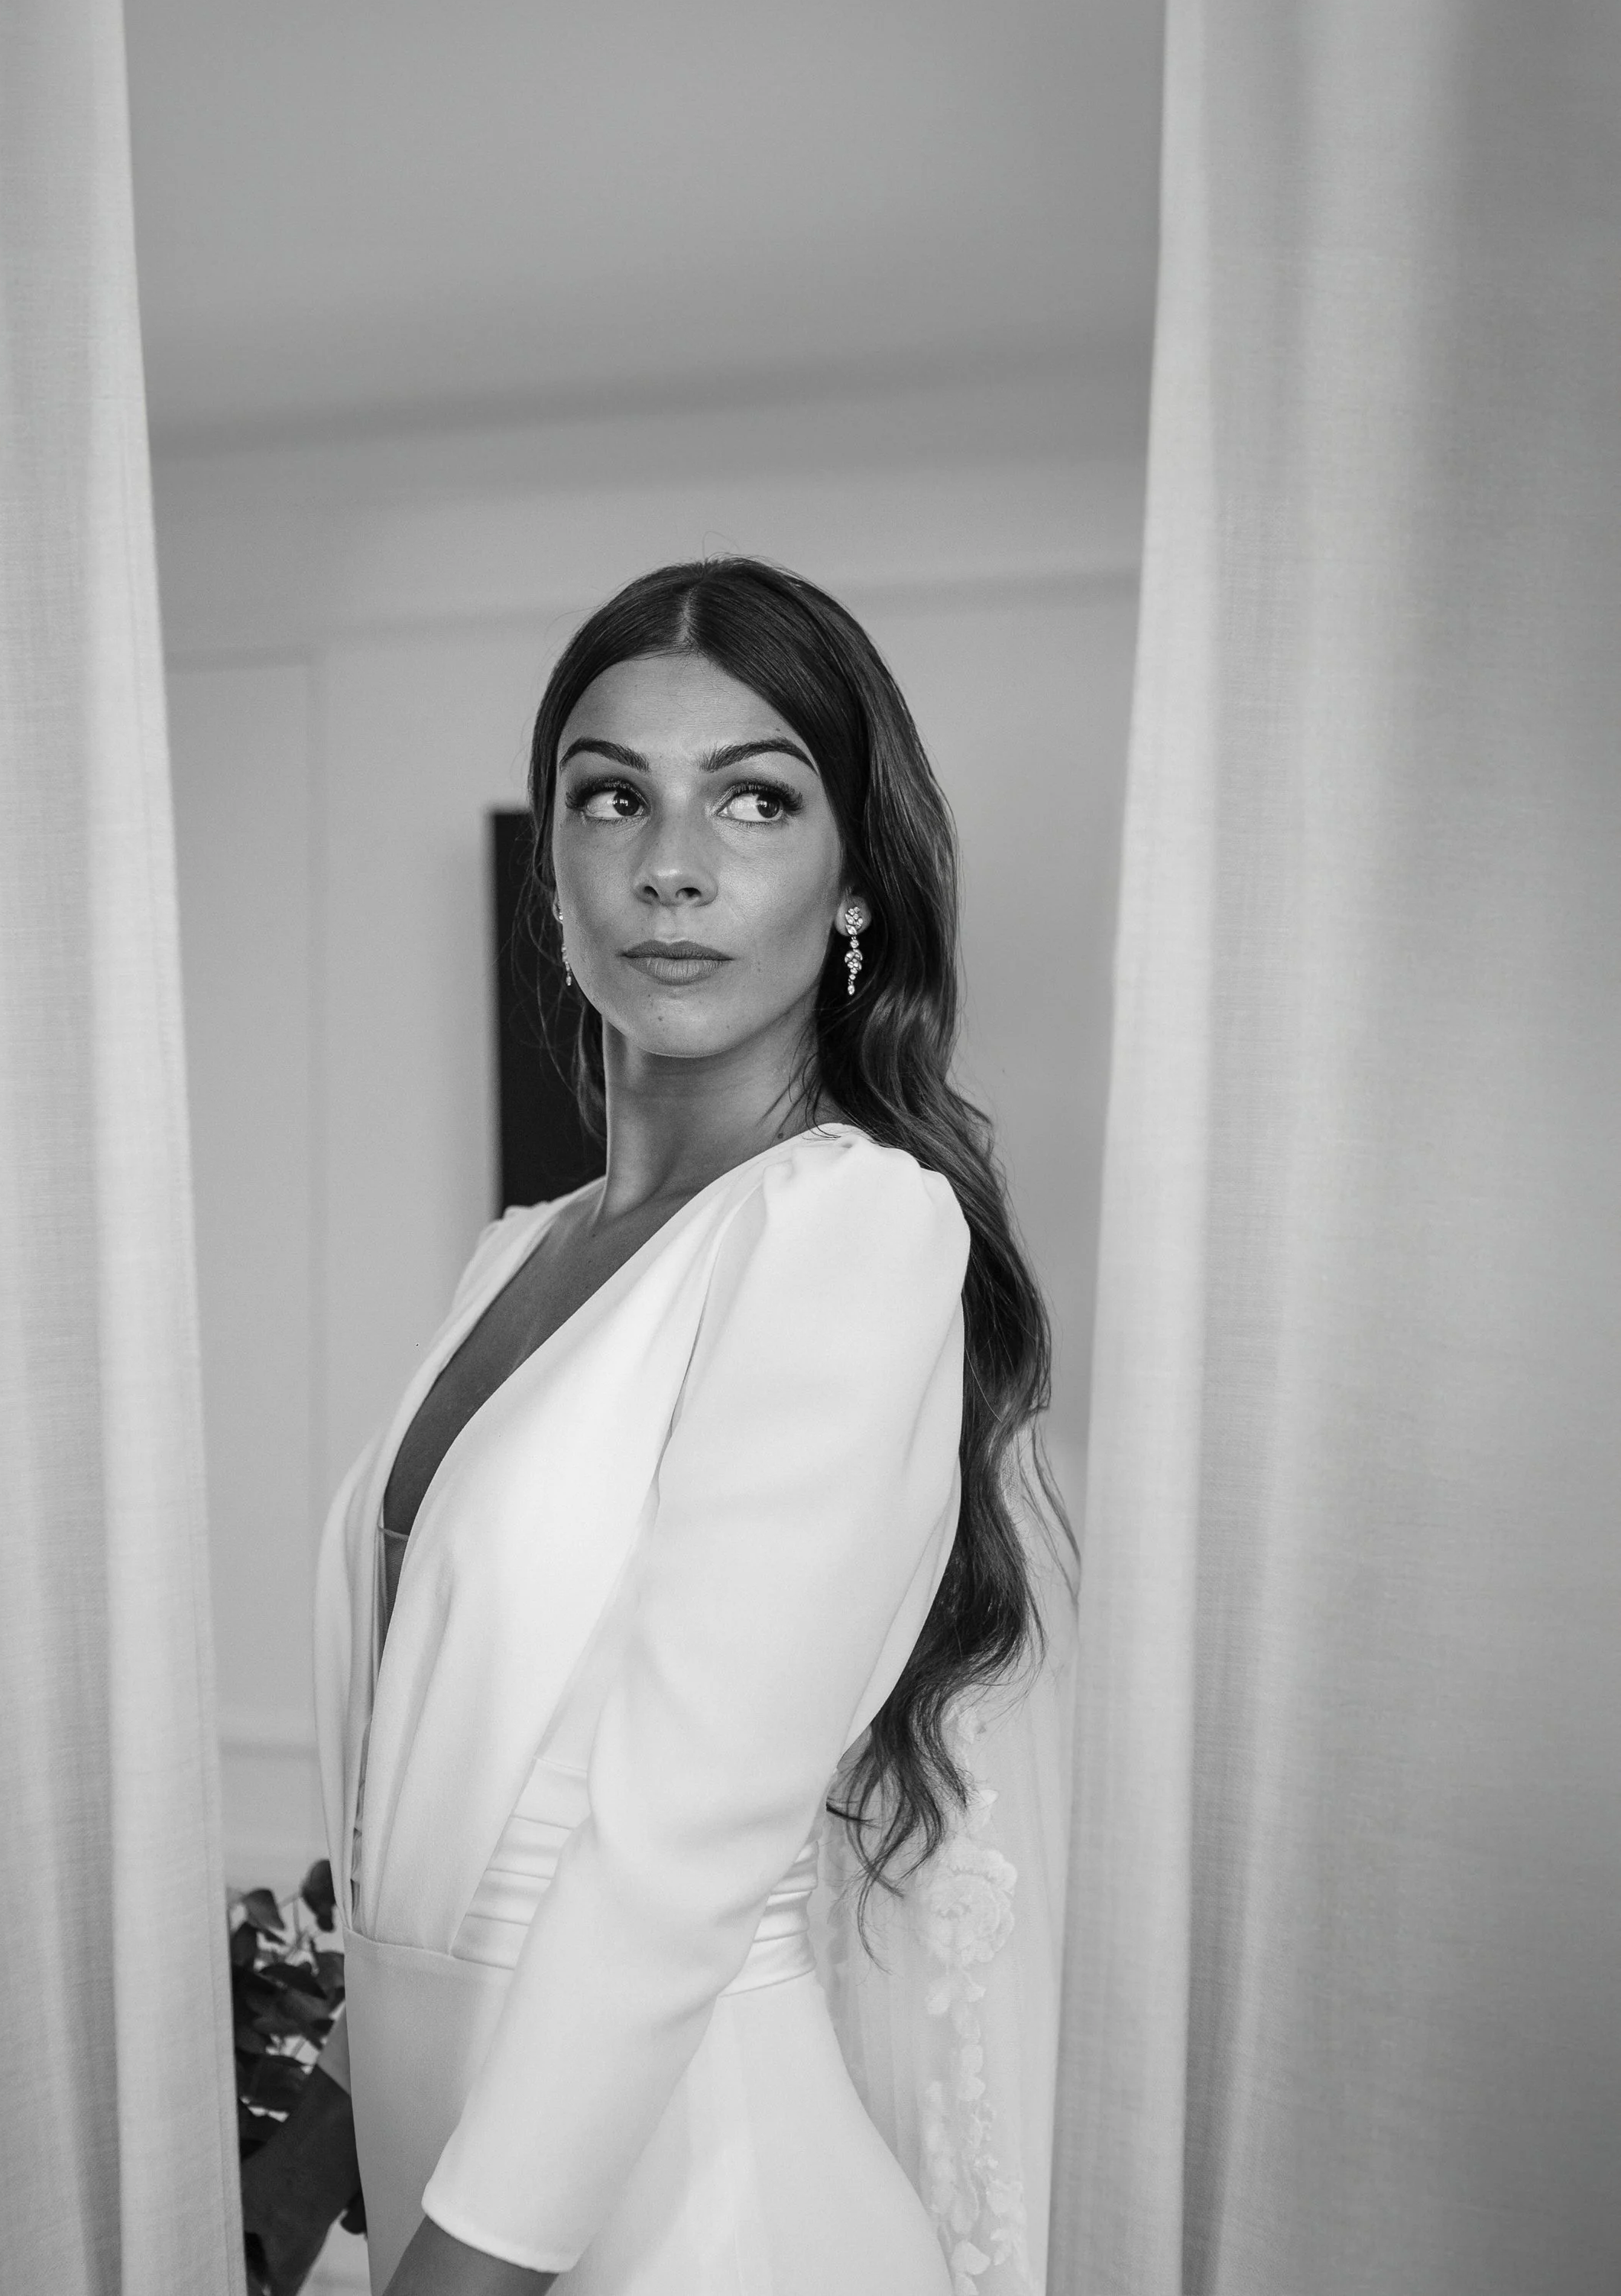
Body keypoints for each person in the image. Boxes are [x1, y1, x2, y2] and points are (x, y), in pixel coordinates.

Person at [242, 558, 1075, 2296]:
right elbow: (430, 1799)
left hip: (699, 2224)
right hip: (437, 2199)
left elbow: (671, 1841)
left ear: (854, 882)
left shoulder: (852, 1226)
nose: (669, 863)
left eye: (753, 799)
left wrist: (457, 2275)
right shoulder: (514, 1257)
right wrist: (315, 2151)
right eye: (608, 796)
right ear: (550, 871)